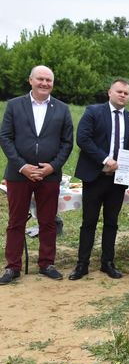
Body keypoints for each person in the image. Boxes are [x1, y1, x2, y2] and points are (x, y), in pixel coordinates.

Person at [0, 65, 73, 284]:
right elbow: (5, 137)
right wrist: (22, 166)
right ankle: (12, 267)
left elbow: (67, 142)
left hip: (49, 175)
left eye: (48, 80)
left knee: (48, 221)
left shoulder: (62, 109)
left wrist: (53, 166)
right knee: (16, 221)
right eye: (40, 79)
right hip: (18, 174)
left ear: (53, 83)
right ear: (30, 80)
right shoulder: (14, 105)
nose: (44, 83)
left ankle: (46, 263)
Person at [68, 79, 129, 280]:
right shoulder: (93, 112)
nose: (122, 95)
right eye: (119, 91)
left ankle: (107, 263)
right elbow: (83, 139)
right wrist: (105, 159)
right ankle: (82, 264)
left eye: (126, 93)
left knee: (112, 222)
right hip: (95, 176)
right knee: (89, 222)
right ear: (110, 92)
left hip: (118, 180)